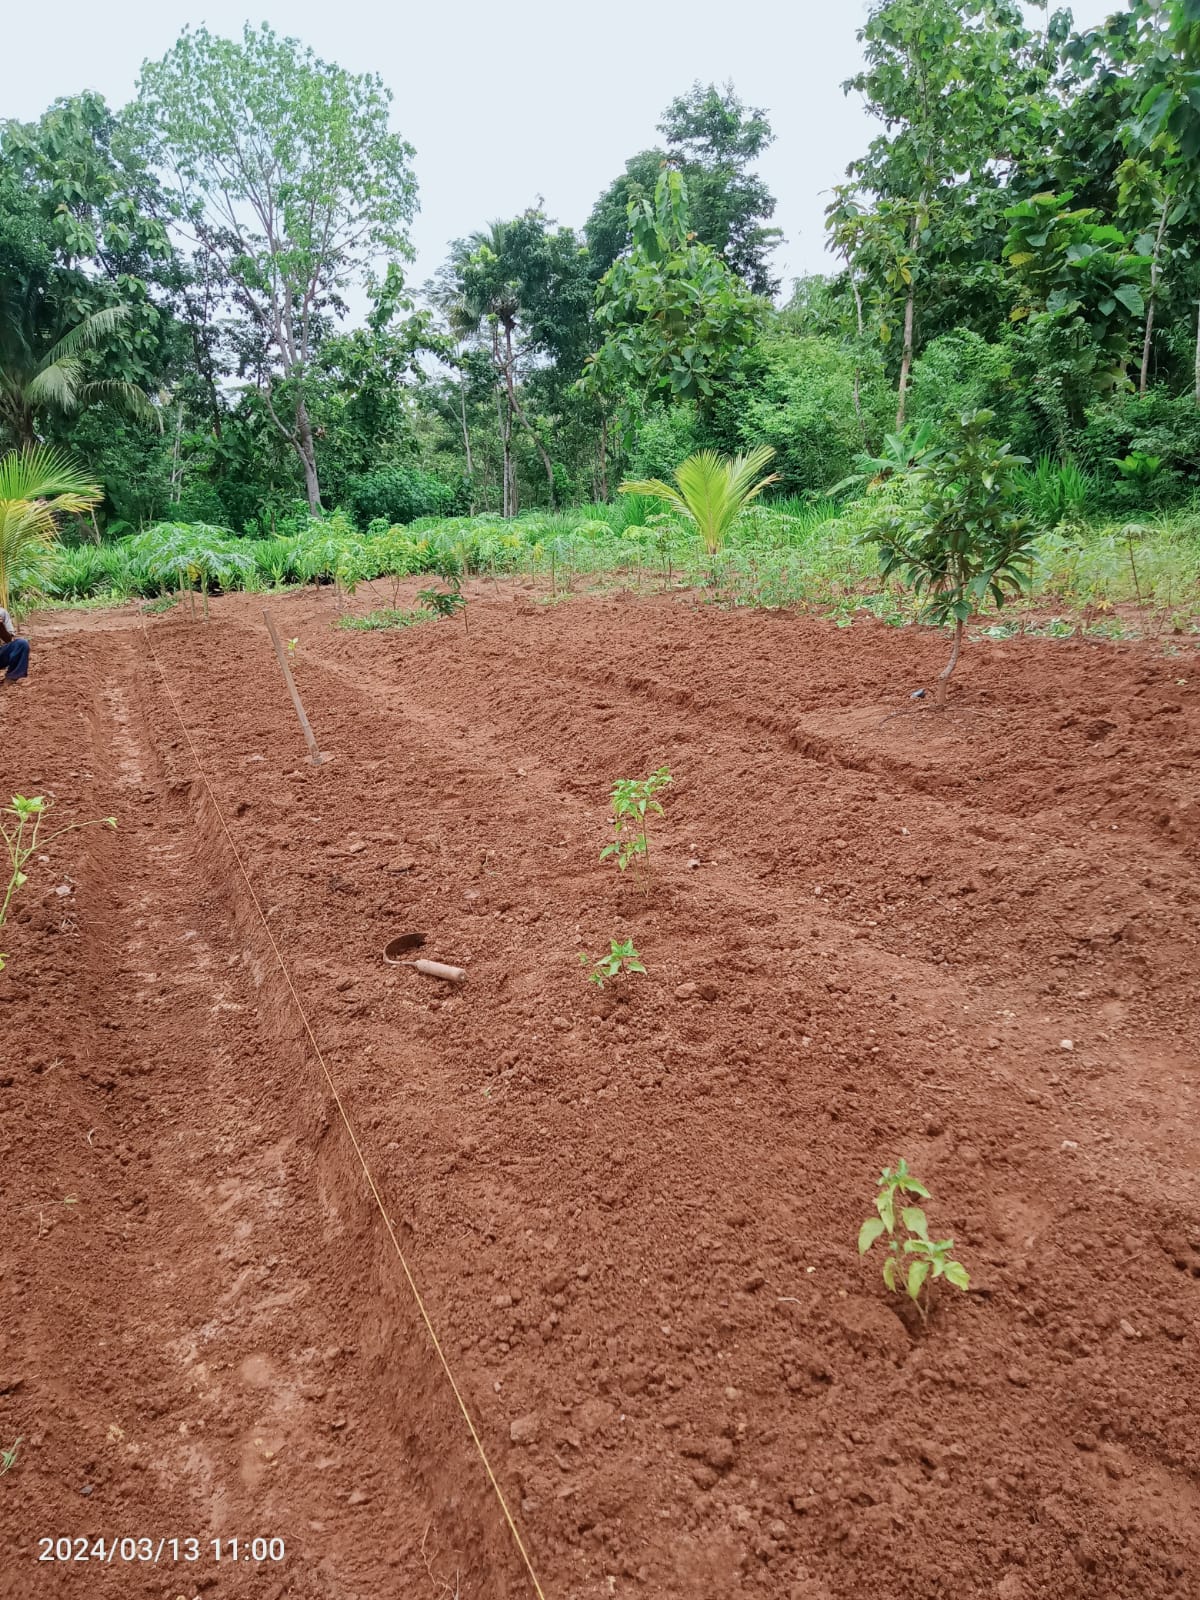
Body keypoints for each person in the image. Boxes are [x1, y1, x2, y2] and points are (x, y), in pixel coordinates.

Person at [0, 607, 29, 686]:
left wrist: (1, 627)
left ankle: (12, 677)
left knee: (22, 644)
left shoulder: (2, 612)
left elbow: (8, 640)